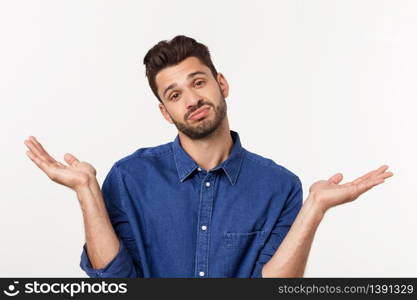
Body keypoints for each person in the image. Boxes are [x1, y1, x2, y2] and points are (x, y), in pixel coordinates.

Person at [24, 35, 393, 278]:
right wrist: (87, 189)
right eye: (174, 94)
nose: (192, 99)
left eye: (198, 82)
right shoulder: (129, 177)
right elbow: (115, 281)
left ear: (222, 84)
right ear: (165, 113)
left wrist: (315, 206)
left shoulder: (279, 186)